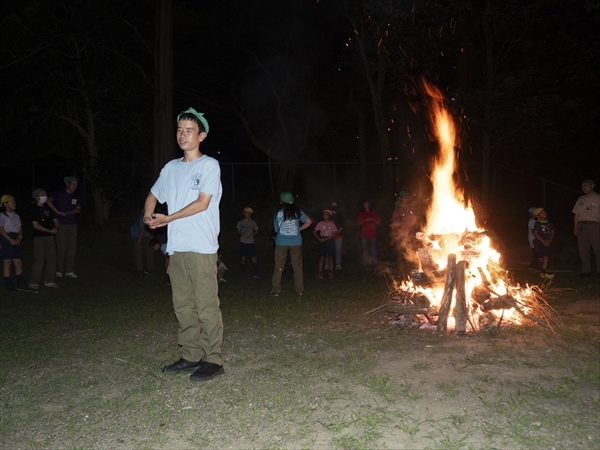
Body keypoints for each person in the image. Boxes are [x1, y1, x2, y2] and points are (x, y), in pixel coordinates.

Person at [143, 107, 224, 382]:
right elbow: (153, 193)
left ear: (200, 136)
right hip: (176, 248)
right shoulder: (171, 168)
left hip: (201, 247)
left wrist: (168, 218)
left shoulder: (209, 165)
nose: (183, 134)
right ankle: (190, 354)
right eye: (179, 129)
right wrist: (148, 214)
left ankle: (213, 359)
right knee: (182, 304)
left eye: (189, 130)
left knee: (205, 305)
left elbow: (203, 203)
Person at [271, 191, 312, 296]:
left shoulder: (277, 213)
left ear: (281, 202)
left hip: (281, 243)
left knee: (279, 266)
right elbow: (309, 222)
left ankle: (276, 290)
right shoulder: (298, 211)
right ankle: (300, 290)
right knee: (297, 267)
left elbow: (276, 230)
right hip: (296, 243)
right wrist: (298, 229)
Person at [47, 176, 81, 279]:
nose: (75, 186)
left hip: (73, 224)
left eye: (76, 185)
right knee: (61, 248)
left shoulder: (76, 197)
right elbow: (48, 200)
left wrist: (68, 213)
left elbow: (78, 210)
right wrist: (56, 212)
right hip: (61, 224)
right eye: (73, 184)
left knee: (72, 248)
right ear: (68, 184)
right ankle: (59, 270)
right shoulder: (59, 194)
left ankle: (69, 270)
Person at [0, 195, 33, 292]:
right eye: (12, 202)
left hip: (15, 237)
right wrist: (10, 239)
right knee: (7, 262)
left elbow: (20, 228)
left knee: (18, 262)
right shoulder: (2, 216)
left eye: (14, 201)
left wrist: (19, 237)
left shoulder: (16, 215)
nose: (14, 204)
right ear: (5, 204)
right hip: (6, 238)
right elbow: (1, 229)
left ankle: (20, 283)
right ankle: (8, 284)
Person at [29, 189, 59, 289]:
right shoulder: (34, 210)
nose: (44, 196)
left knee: (51, 258)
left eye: (45, 194)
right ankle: (34, 282)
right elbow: (36, 225)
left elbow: (55, 220)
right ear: (36, 197)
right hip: (39, 237)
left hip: (49, 237)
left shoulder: (47, 208)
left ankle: (50, 280)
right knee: (39, 259)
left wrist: (55, 227)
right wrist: (49, 231)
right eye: (42, 195)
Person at [572, 179, 600, 277]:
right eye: (582, 186)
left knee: (597, 248)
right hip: (582, 226)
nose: (584, 188)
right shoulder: (580, 199)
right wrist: (575, 227)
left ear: (592, 186)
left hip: (595, 225)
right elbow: (576, 214)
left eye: (586, 185)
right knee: (583, 249)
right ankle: (586, 271)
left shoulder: (598, 198)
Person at [236, 207, 261, 278]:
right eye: (246, 212)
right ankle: (243, 273)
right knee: (243, 257)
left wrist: (252, 235)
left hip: (251, 242)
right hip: (243, 242)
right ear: (244, 214)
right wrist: (243, 234)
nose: (248, 214)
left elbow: (257, 231)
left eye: (249, 213)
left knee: (254, 257)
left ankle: (256, 273)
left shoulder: (253, 222)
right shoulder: (241, 222)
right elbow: (238, 231)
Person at [313, 209, 338, 279]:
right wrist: (319, 239)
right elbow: (314, 232)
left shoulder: (332, 224)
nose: (325, 216)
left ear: (329, 216)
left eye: (326, 214)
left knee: (330, 257)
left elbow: (333, 234)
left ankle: (330, 272)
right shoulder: (320, 223)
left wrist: (325, 239)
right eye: (324, 214)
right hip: (323, 241)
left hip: (329, 241)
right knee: (322, 257)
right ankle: (320, 273)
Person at [356, 199, 381, 268]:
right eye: (364, 203)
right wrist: (364, 220)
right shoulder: (361, 213)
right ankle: (366, 264)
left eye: (366, 203)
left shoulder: (373, 213)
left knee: (373, 249)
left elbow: (379, 222)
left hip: (372, 234)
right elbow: (358, 223)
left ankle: (374, 264)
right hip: (364, 235)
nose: (365, 204)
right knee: (365, 250)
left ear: (369, 204)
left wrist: (372, 219)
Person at [532, 207, 555, 279]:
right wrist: (543, 241)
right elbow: (536, 233)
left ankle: (544, 272)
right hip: (541, 243)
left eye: (544, 212)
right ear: (538, 216)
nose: (544, 213)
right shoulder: (537, 224)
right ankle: (541, 272)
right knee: (541, 257)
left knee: (546, 257)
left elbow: (552, 233)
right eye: (542, 213)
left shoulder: (549, 223)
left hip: (548, 242)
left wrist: (549, 241)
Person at [130, 210, 155, 276]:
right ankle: (140, 270)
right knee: (138, 250)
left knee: (150, 249)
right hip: (136, 233)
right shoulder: (143, 217)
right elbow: (141, 229)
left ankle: (150, 269)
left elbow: (154, 228)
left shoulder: (154, 217)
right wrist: (139, 242)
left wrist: (152, 237)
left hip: (146, 234)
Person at [324, 201, 345, 271]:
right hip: (330, 235)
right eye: (333, 205)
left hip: (339, 235)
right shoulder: (329, 215)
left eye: (335, 205)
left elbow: (342, 224)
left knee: (338, 250)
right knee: (328, 250)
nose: (334, 207)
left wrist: (339, 230)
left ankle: (338, 264)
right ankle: (327, 264)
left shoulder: (340, 215)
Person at [527, 206, 539, 271]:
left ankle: (534, 266)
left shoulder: (534, 221)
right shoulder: (532, 221)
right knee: (536, 254)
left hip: (534, 239)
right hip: (533, 240)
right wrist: (537, 238)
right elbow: (532, 231)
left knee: (536, 253)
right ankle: (532, 266)